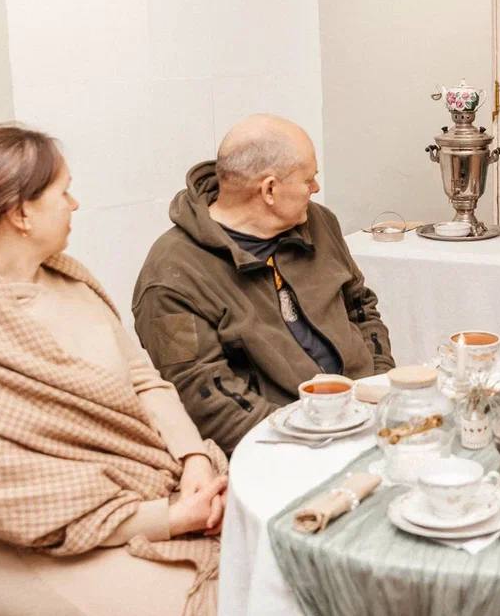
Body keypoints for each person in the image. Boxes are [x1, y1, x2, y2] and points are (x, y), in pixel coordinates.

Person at [0, 125, 228, 616]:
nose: (75, 204)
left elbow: (144, 380)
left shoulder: (71, 280)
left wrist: (194, 461)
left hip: (156, 486)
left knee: (279, 558)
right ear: (20, 214)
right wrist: (171, 517)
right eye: (64, 192)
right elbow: (30, 506)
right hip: (50, 550)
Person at [133, 114, 394, 455]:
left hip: (365, 418)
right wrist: (312, 434)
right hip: (281, 446)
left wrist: (380, 386)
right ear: (269, 189)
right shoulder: (171, 274)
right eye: (308, 179)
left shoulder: (319, 223)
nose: (315, 188)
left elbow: (361, 308)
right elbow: (203, 398)